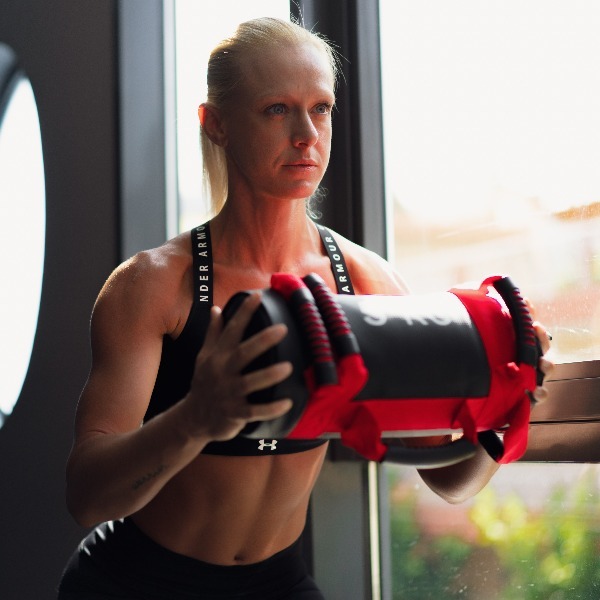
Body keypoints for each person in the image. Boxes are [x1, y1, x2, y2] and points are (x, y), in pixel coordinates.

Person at [57, 16, 553, 600]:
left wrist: (513, 402)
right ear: (215, 124)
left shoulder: (363, 280)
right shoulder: (155, 285)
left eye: (321, 108)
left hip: (277, 584)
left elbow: (448, 479)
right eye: (277, 110)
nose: (306, 134)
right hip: (137, 582)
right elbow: (87, 496)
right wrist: (196, 418)